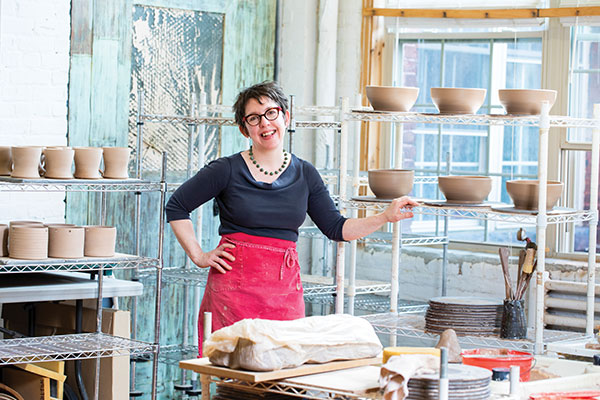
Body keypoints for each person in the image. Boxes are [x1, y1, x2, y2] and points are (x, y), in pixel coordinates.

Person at [165, 81, 419, 353]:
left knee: (282, 374)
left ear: (285, 117)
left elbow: (337, 228)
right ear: (244, 128)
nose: (265, 124)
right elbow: (177, 206)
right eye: (254, 118)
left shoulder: (306, 174)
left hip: (283, 292)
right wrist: (199, 256)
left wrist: (384, 217)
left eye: (271, 113)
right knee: (233, 378)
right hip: (233, 290)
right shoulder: (225, 169)